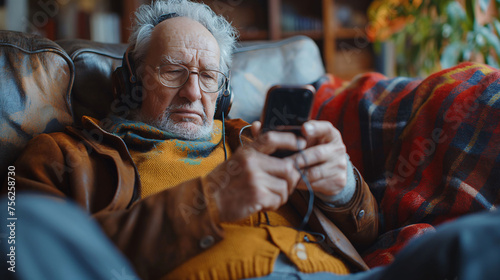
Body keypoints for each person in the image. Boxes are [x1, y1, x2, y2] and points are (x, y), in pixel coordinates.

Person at [3, 1, 500, 280]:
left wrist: (344, 188)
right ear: (131, 81)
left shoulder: (255, 139)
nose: (194, 92)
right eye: (174, 71)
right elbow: (20, 254)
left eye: (208, 77)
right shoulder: (66, 157)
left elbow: (367, 233)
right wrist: (214, 197)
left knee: (483, 238)